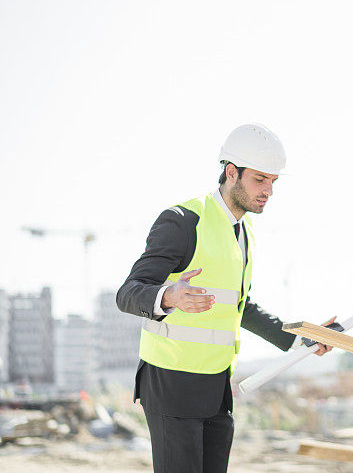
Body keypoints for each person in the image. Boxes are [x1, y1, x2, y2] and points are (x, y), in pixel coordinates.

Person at [117, 123, 333, 473]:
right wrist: (169, 295)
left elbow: (240, 306)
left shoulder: (244, 231)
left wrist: (301, 339)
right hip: (170, 383)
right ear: (232, 172)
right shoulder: (183, 221)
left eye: (274, 182)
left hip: (216, 387)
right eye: (260, 180)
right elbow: (128, 293)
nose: (269, 191)